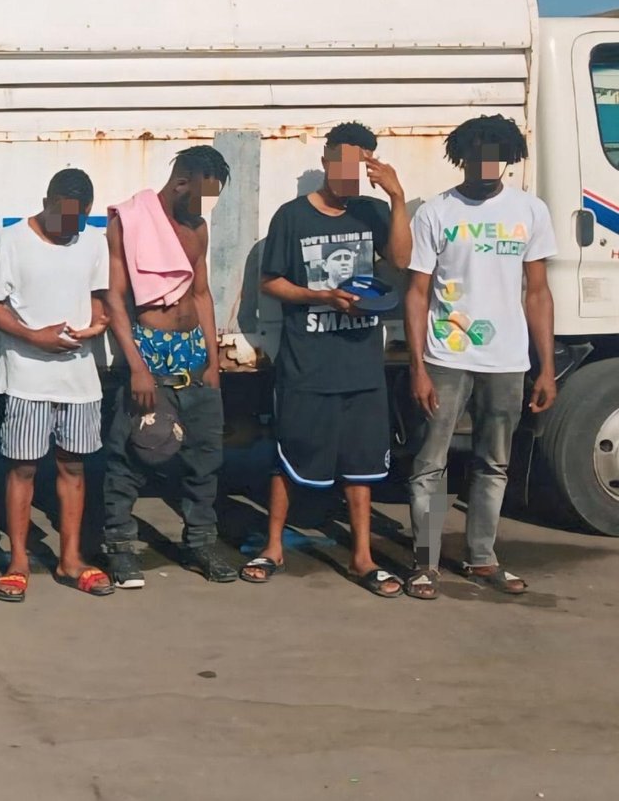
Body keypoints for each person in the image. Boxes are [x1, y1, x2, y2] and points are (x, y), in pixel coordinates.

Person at [244, 123, 411, 596]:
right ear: (326, 161)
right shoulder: (292, 217)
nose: (350, 173)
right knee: (290, 456)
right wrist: (320, 296)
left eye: (361, 165)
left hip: (361, 365)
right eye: (343, 163)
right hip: (307, 364)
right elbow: (270, 282)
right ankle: (273, 547)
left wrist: (398, 197)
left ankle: (362, 557)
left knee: (361, 464)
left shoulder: (374, 212)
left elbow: (401, 261)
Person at [403, 115, 557, 600]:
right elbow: (417, 293)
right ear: (463, 157)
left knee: (495, 464)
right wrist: (418, 367)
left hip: (507, 361)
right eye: (479, 155)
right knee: (430, 464)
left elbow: (538, 292)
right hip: (445, 357)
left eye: (498, 155)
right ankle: (425, 562)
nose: (488, 164)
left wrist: (546, 367)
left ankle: (483, 558)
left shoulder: (530, 210)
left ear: (509, 158)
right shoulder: (436, 212)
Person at [101, 146, 234, 586]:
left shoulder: (198, 229)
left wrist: (213, 360)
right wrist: (137, 367)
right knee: (131, 458)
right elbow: (115, 299)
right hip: (150, 356)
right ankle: (120, 547)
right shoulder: (129, 222)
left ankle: (201, 543)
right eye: (201, 196)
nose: (204, 208)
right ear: (180, 184)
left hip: (194, 356)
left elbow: (201, 294)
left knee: (204, 461)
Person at [0, 168, 114, 603]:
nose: (70, 227)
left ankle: (70, 559)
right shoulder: (10, 241)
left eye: (79, 219)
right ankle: (18, 561)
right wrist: (33, 336)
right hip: (27, 378)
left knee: (73, 468)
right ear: (46, 203)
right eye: (63, 217)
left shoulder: (94, 242)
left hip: (79, 380)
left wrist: (98, 325)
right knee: (22, 469)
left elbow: (97, 298)